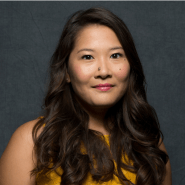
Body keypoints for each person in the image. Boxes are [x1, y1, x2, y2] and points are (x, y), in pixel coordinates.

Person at [0, 7, 172, 185]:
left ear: (131, 66)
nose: (104, 71)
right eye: (88, 57)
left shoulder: (149, 145)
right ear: (66, 72)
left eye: (115, 55)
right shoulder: (32, 140)